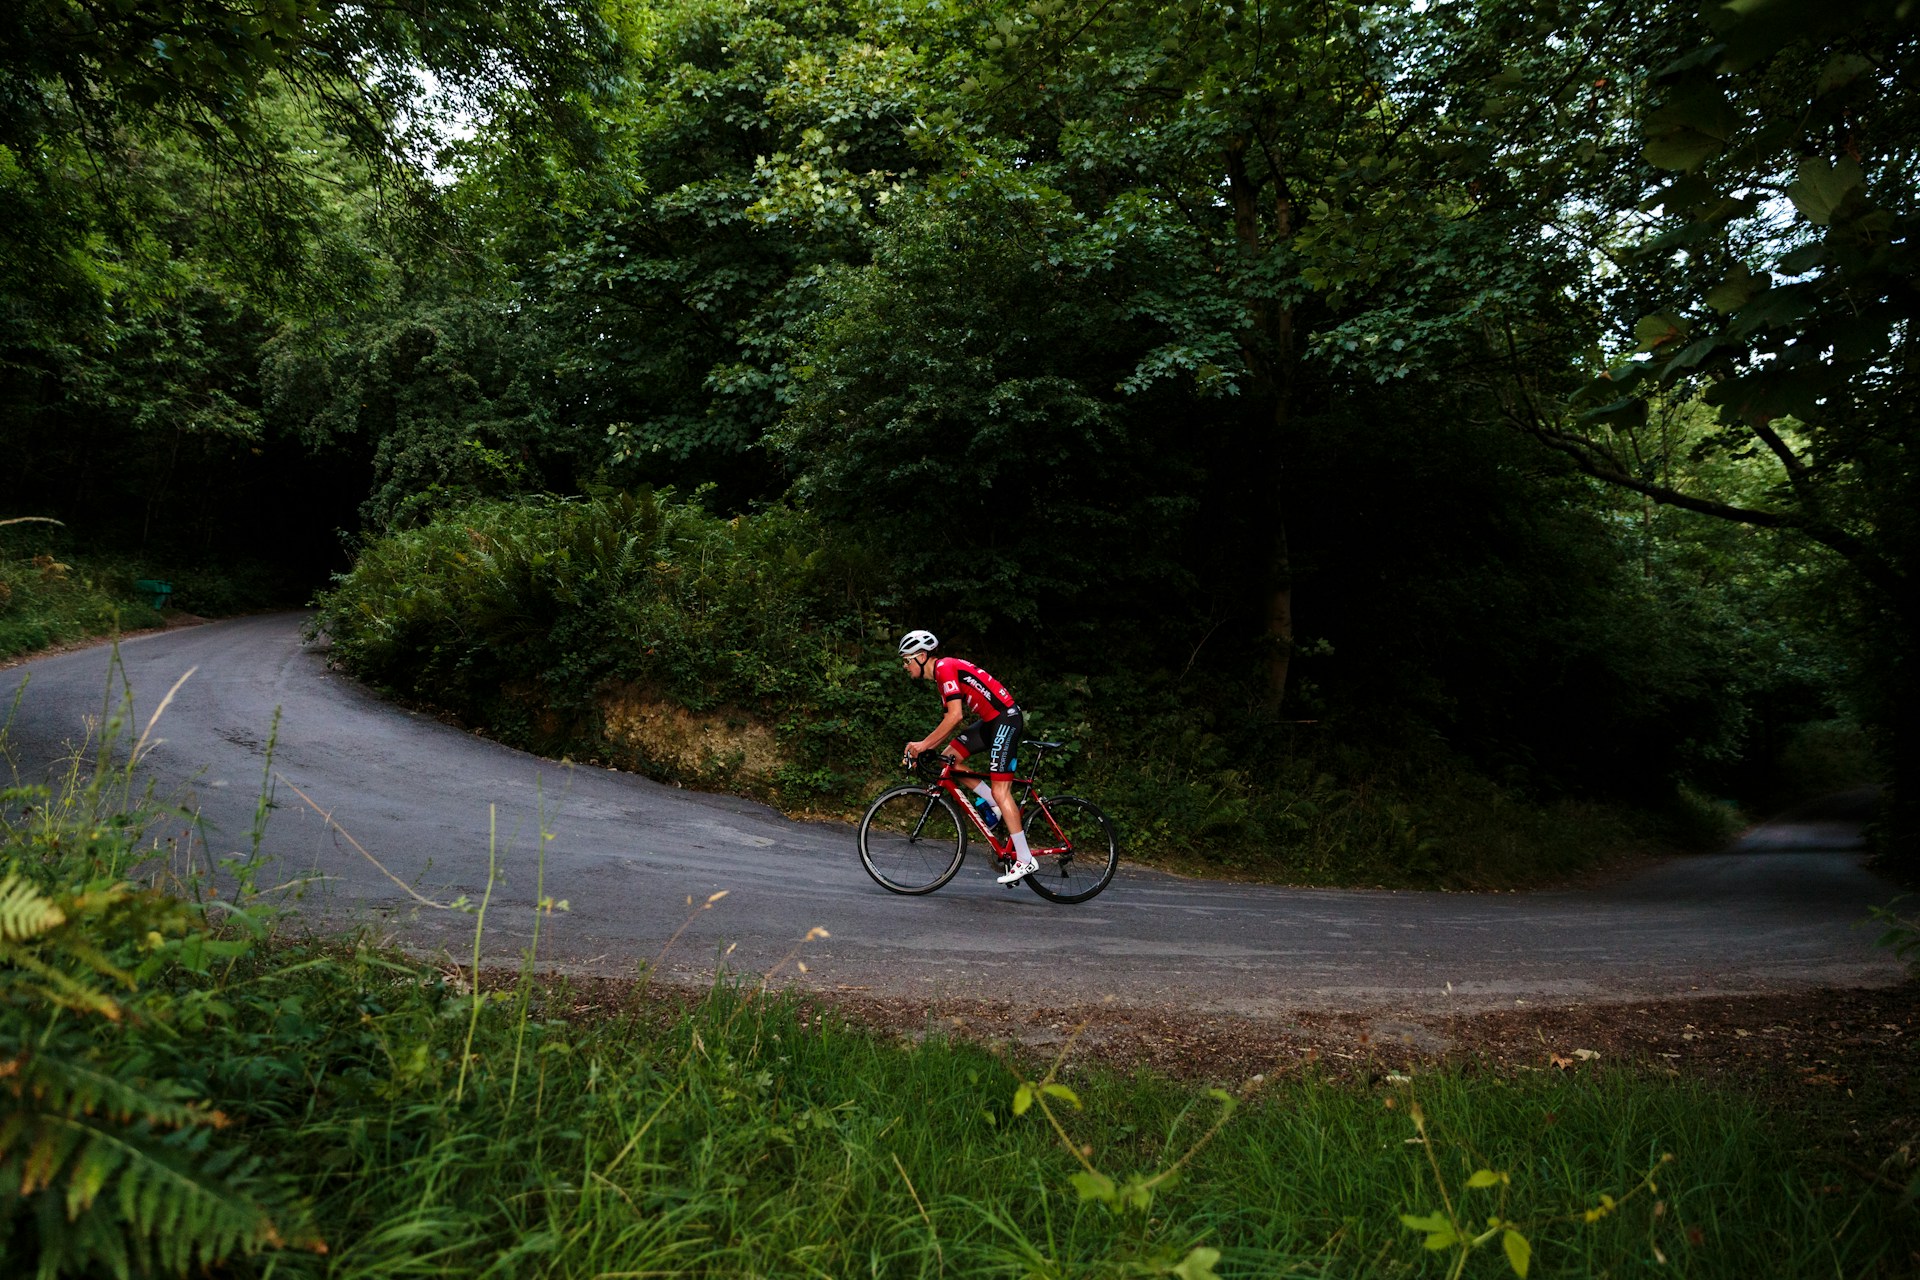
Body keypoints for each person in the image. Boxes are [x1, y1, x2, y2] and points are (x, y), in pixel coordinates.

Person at [897, 629, 1037, 884]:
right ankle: (993, 809)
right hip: (992, 721)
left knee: (1001, 791)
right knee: (948, 760)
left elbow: (955, 717)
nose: (905, 666)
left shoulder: (944, 668)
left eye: (906, 660)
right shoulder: (941, 675)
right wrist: (927, 746)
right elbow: (949, 720)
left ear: (921, 656)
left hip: (1005, 719)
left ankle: (1025, 858)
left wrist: (922, 745)